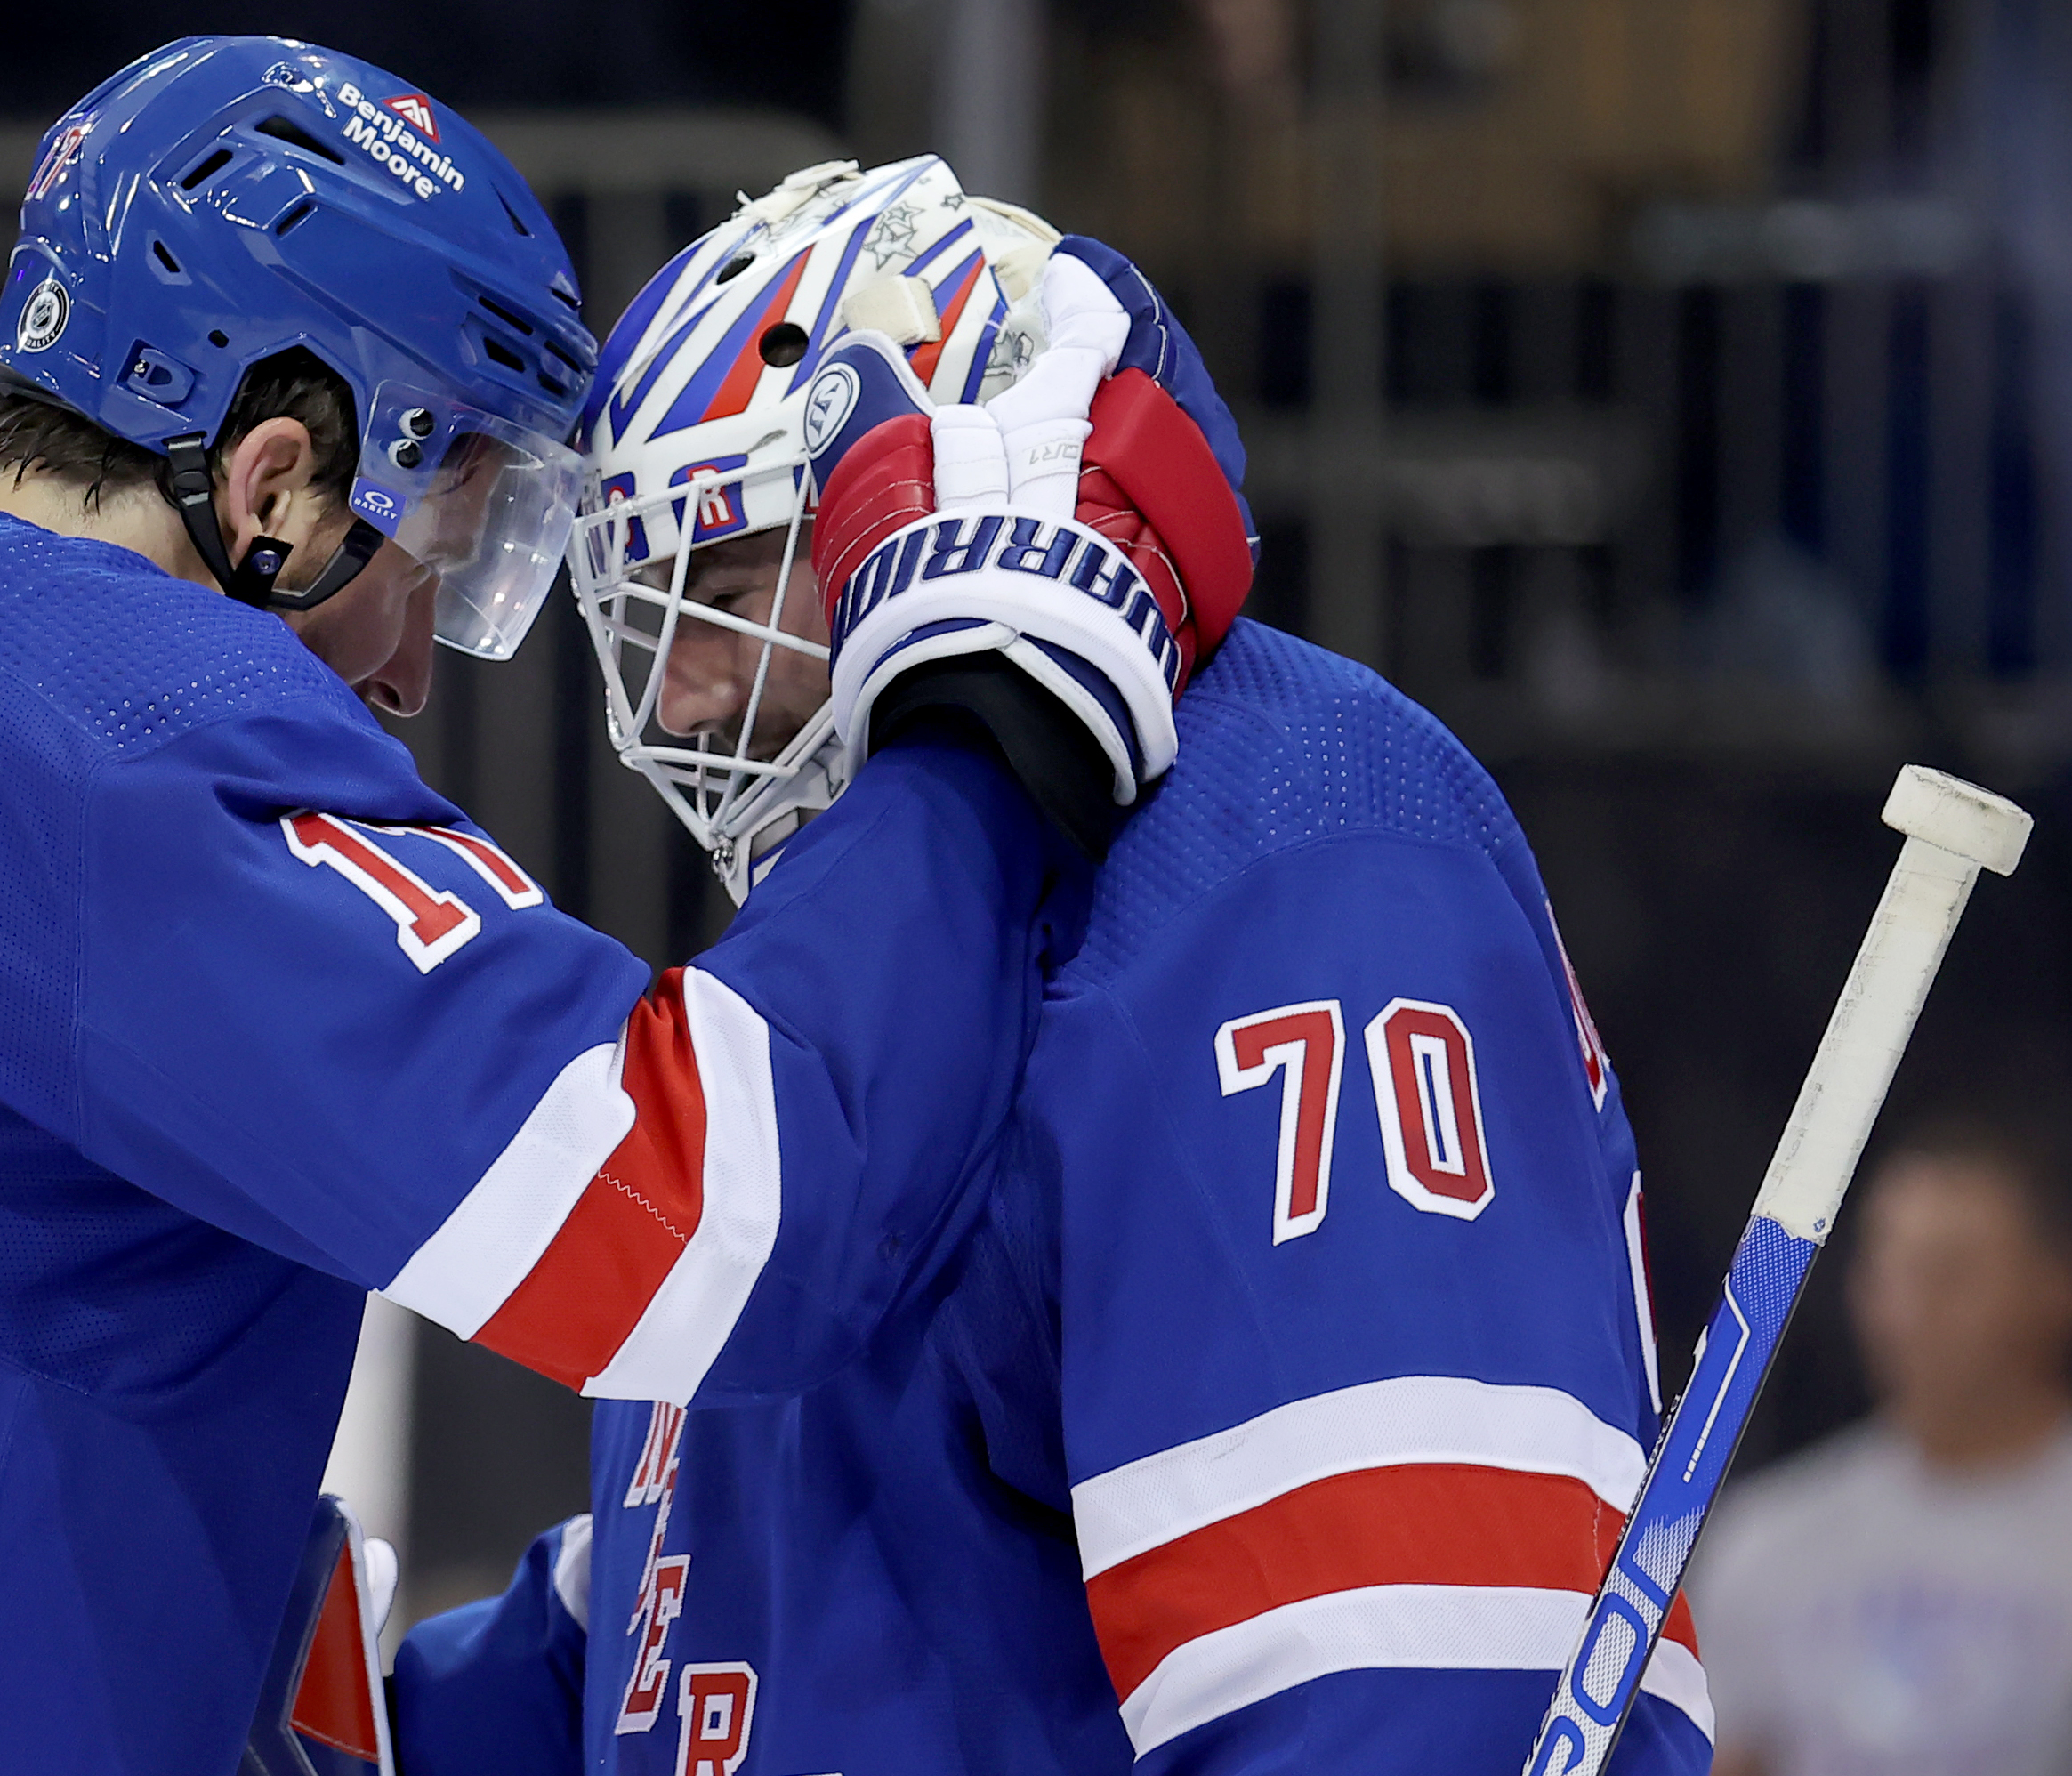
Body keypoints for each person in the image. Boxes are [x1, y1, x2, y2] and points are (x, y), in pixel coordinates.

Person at [0, 41, 1202, 1775]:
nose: (421, 666)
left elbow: (40, 1427)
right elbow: (713, 1209)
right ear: (272, 484)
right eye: (459, 556)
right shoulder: (114, 718)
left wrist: (607, 1619)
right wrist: (985, 706)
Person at [395, 158, 1713, 1774]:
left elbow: (1412, 1669)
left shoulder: (1290, 846)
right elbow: (719, 1609)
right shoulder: (900, 908)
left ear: (962, 483)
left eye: (724, 594)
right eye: (648, 630)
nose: (680, 705)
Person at [1689, 1118, 2072, 1776]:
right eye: (1892, 1270)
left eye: (1951, 1273)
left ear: (2052, 1287)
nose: (1910, 1310)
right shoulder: (1765, 1537)